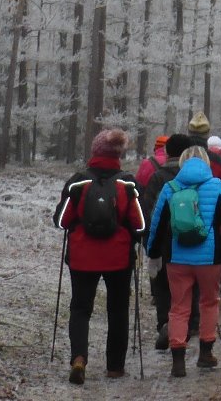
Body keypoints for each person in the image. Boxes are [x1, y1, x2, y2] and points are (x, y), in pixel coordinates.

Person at [53, 128, 145, 385]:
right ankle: (115, 366)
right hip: (118, 258)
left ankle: (79, 359)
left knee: (81, 308)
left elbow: (61, 221)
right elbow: (140, 225)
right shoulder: (127, 182)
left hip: (83, 257)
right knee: (117, 309)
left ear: (94, 152)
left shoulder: (78, 181)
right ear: (119, 153)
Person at [146, 145, 221, 378]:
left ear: (182, 162)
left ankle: (178, 361)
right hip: (210, 258)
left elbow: (157, 224)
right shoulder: (217, 186)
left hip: (177, 257)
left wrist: (153, 253)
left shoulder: (170, 187)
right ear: (206, 162)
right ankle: (205, 354)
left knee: (178, 308)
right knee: (209, 303)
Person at [141, 133, 192, 351]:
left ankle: (164, 323)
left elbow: (147, 209)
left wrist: (149, 242)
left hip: (162, 241)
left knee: (162, 286)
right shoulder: (192, 177)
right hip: (189, 241)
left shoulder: (157, 176)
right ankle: (184, 327)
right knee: (186, 287)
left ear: (168, 152)